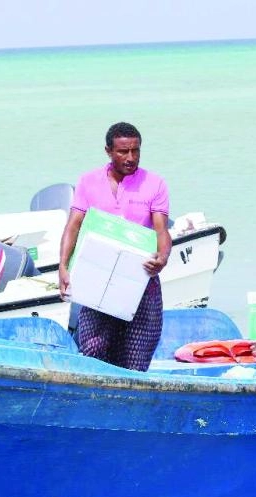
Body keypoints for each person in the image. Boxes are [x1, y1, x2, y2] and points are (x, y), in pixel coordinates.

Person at [57, 122, 172, 372]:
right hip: (99, 275)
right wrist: (64, 267)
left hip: (141, 278)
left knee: (135, 360)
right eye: (123, 151)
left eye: (135, 150)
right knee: (93, 349)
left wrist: (162, 258)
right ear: (108, 151)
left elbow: (162, 229)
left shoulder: (155, 184)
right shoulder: (88, 182)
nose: (130, 158)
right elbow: (73, 225)